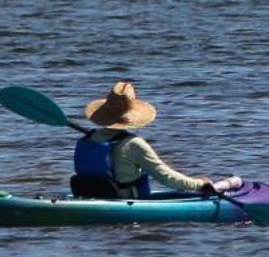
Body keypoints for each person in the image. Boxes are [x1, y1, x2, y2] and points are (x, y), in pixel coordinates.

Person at [70, 81, 236, 199]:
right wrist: (199, 184)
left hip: (89, 196)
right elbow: (167, 178)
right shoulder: (134, 144)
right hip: (124, 201)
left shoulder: (90, 138)